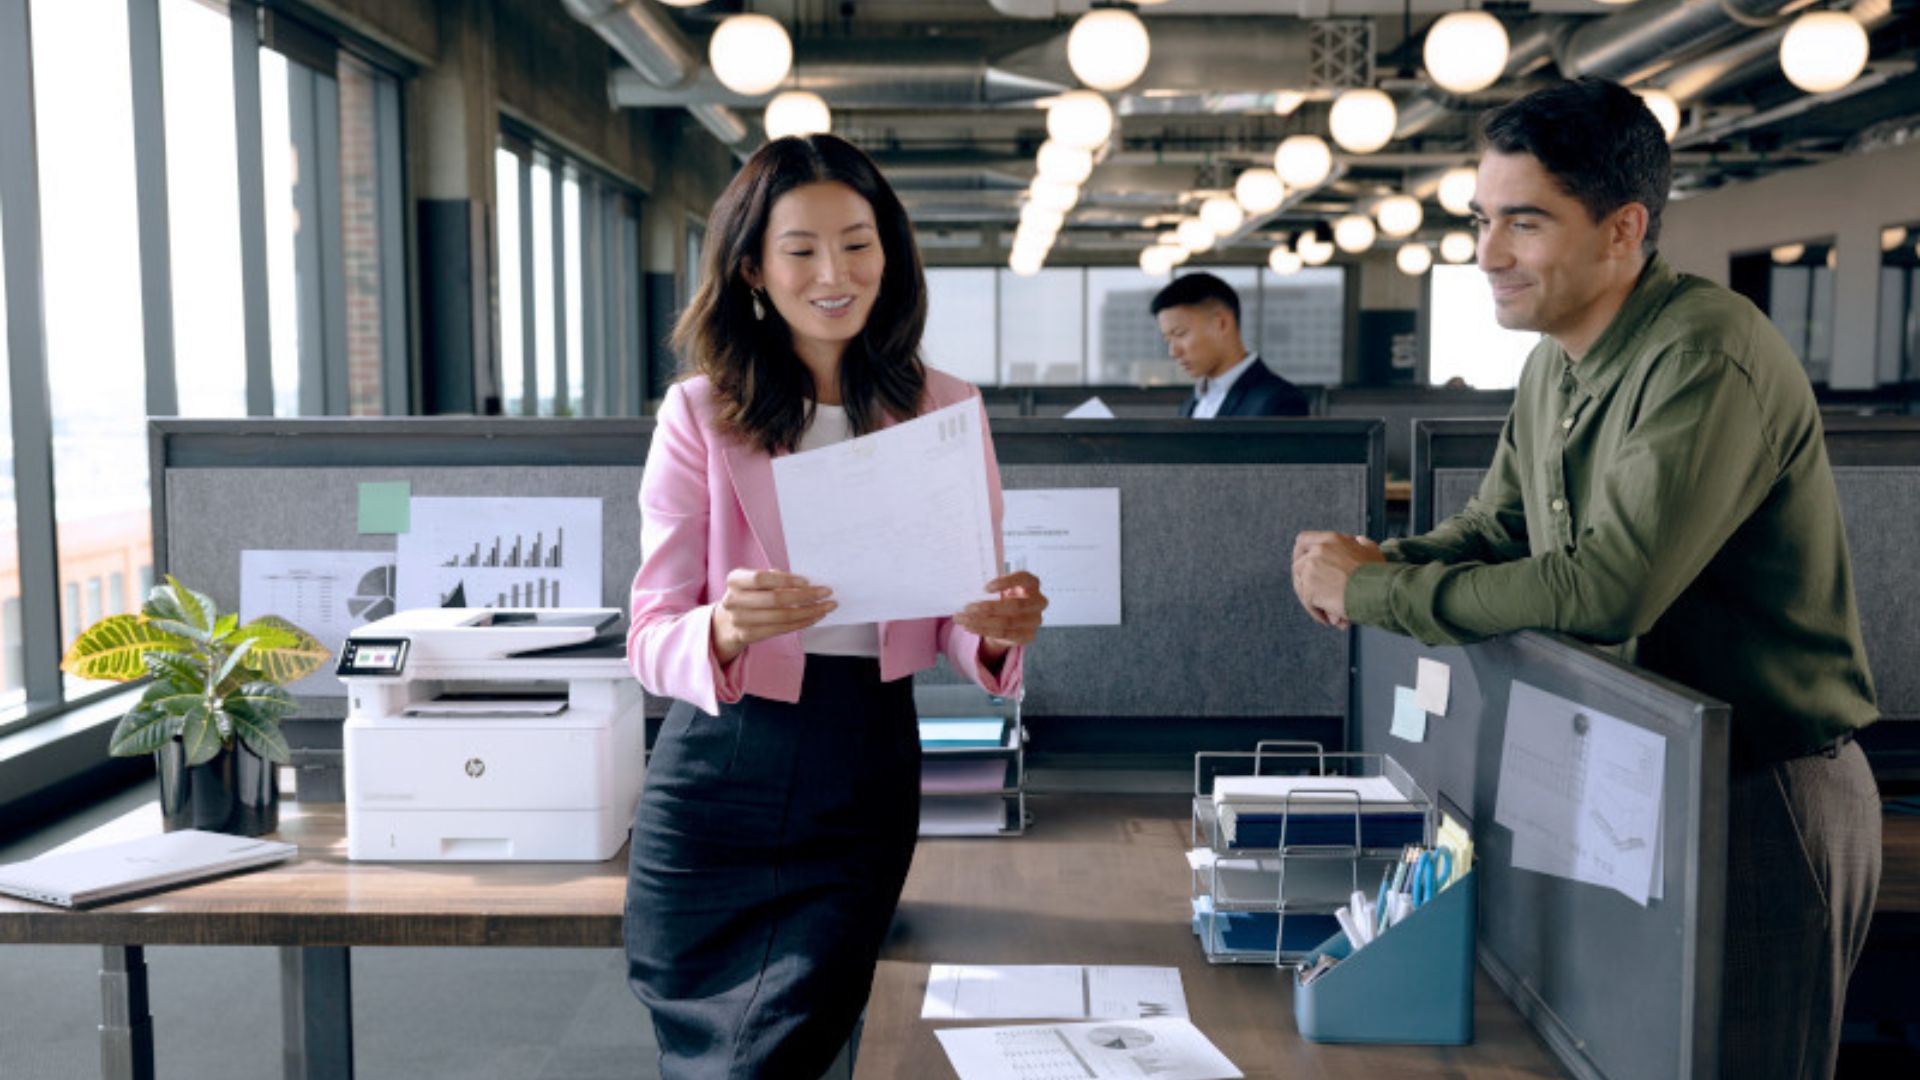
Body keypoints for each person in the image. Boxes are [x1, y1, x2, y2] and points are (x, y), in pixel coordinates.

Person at [1291, 78, 1878, 1080]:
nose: (1488, 254)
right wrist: (1386, 561)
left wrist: (1379, 598)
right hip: (1635, 777)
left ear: (1623, 230)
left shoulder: (1703, 350)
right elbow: (1504, 523)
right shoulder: (1557, 364)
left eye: (1525, 222)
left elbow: (1607, 587)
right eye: (1483, 219)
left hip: (1757, 792)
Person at [623, 133, 1048, 1079]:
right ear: (753, 270)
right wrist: (726, 627)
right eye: (802, 249)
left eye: (857, 243)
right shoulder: (700, 414)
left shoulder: (945, 408)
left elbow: (956, 608)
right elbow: (650, 632)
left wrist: (994, 625)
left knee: (787, 1049)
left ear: (889, 255)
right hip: (719, 774)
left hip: (862, 761)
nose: (834, 272)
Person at [1150, 272, 1310, 417]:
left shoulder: (1279, 401)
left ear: (1221, 324)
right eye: (1168, 340)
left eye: (1180, 334)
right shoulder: (1192, 402)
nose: (1173, 352)